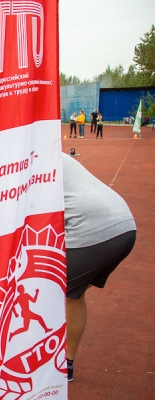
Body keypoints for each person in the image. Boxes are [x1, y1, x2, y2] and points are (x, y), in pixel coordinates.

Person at [61, 153, 136, 382]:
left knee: (48, 290)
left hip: (95, 229)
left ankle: (51, 361)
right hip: (124, 226)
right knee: (73, 294)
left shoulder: (25, 164)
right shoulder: (51, 154)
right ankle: (66, 363)